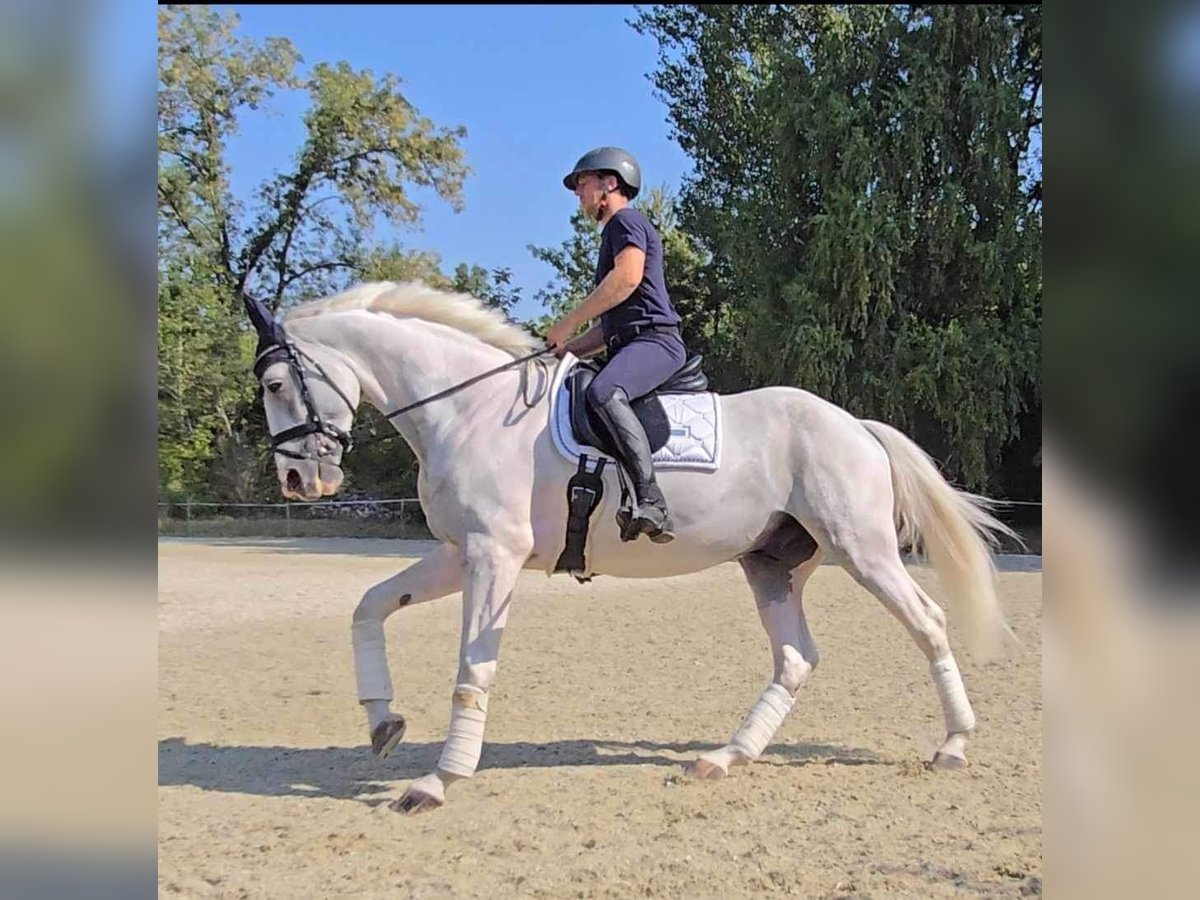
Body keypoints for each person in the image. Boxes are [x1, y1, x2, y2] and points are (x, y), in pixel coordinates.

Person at [545, 146, 687, 544]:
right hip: (629, 343)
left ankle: (653, 502)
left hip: (656, 342)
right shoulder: (614, 231)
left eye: (582, 183)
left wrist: (567, 321)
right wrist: (566, 349)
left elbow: (626, 280)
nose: (577, 193)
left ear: (610, 183)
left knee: (605, 391)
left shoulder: (625, 220)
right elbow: (609, 330)